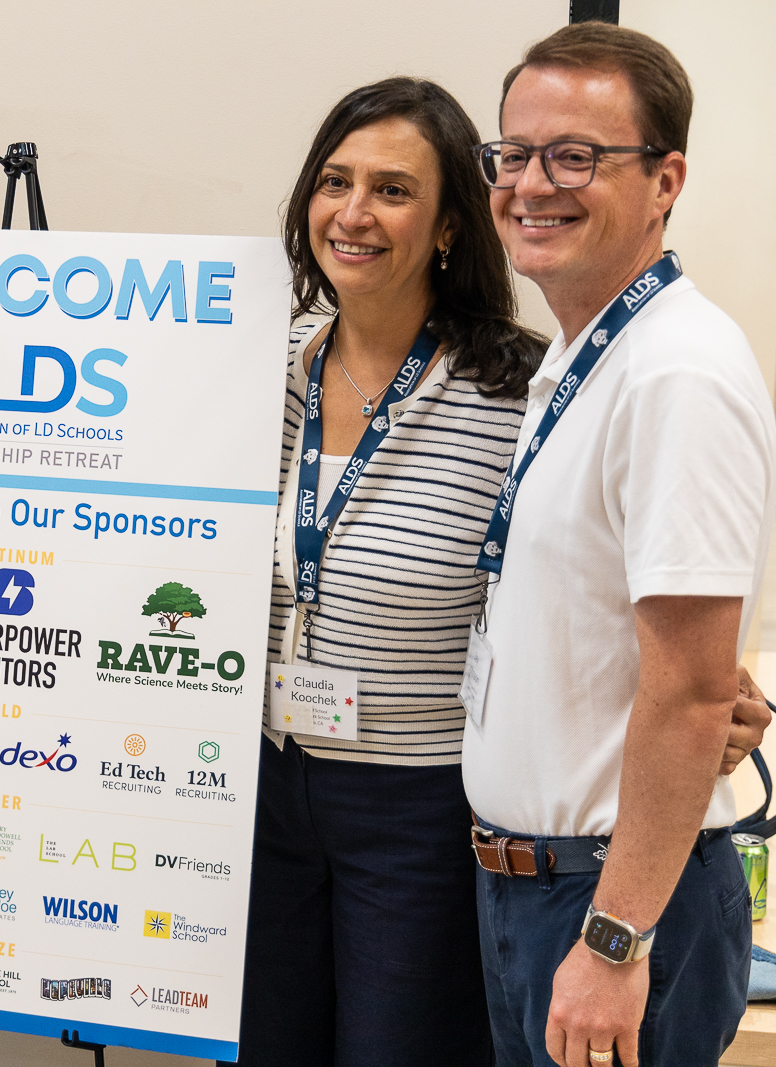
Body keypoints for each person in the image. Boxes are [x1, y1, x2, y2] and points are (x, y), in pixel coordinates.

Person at [463, 23, 776, 1067]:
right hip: (546, 885)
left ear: (664, 179)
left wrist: (613, 938)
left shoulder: (673, 372)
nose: (530, 185)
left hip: (604, 898)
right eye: (513, 153)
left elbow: (690, 693)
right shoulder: (584, 352)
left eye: (576, 156)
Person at [237, 76, 546, 1066]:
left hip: (417, 806)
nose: (353, 213)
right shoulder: (252, 371)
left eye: (392, 189)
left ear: (452, 221)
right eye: (334, 181)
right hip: (254, 786)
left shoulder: (515, 393)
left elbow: (583, 579)